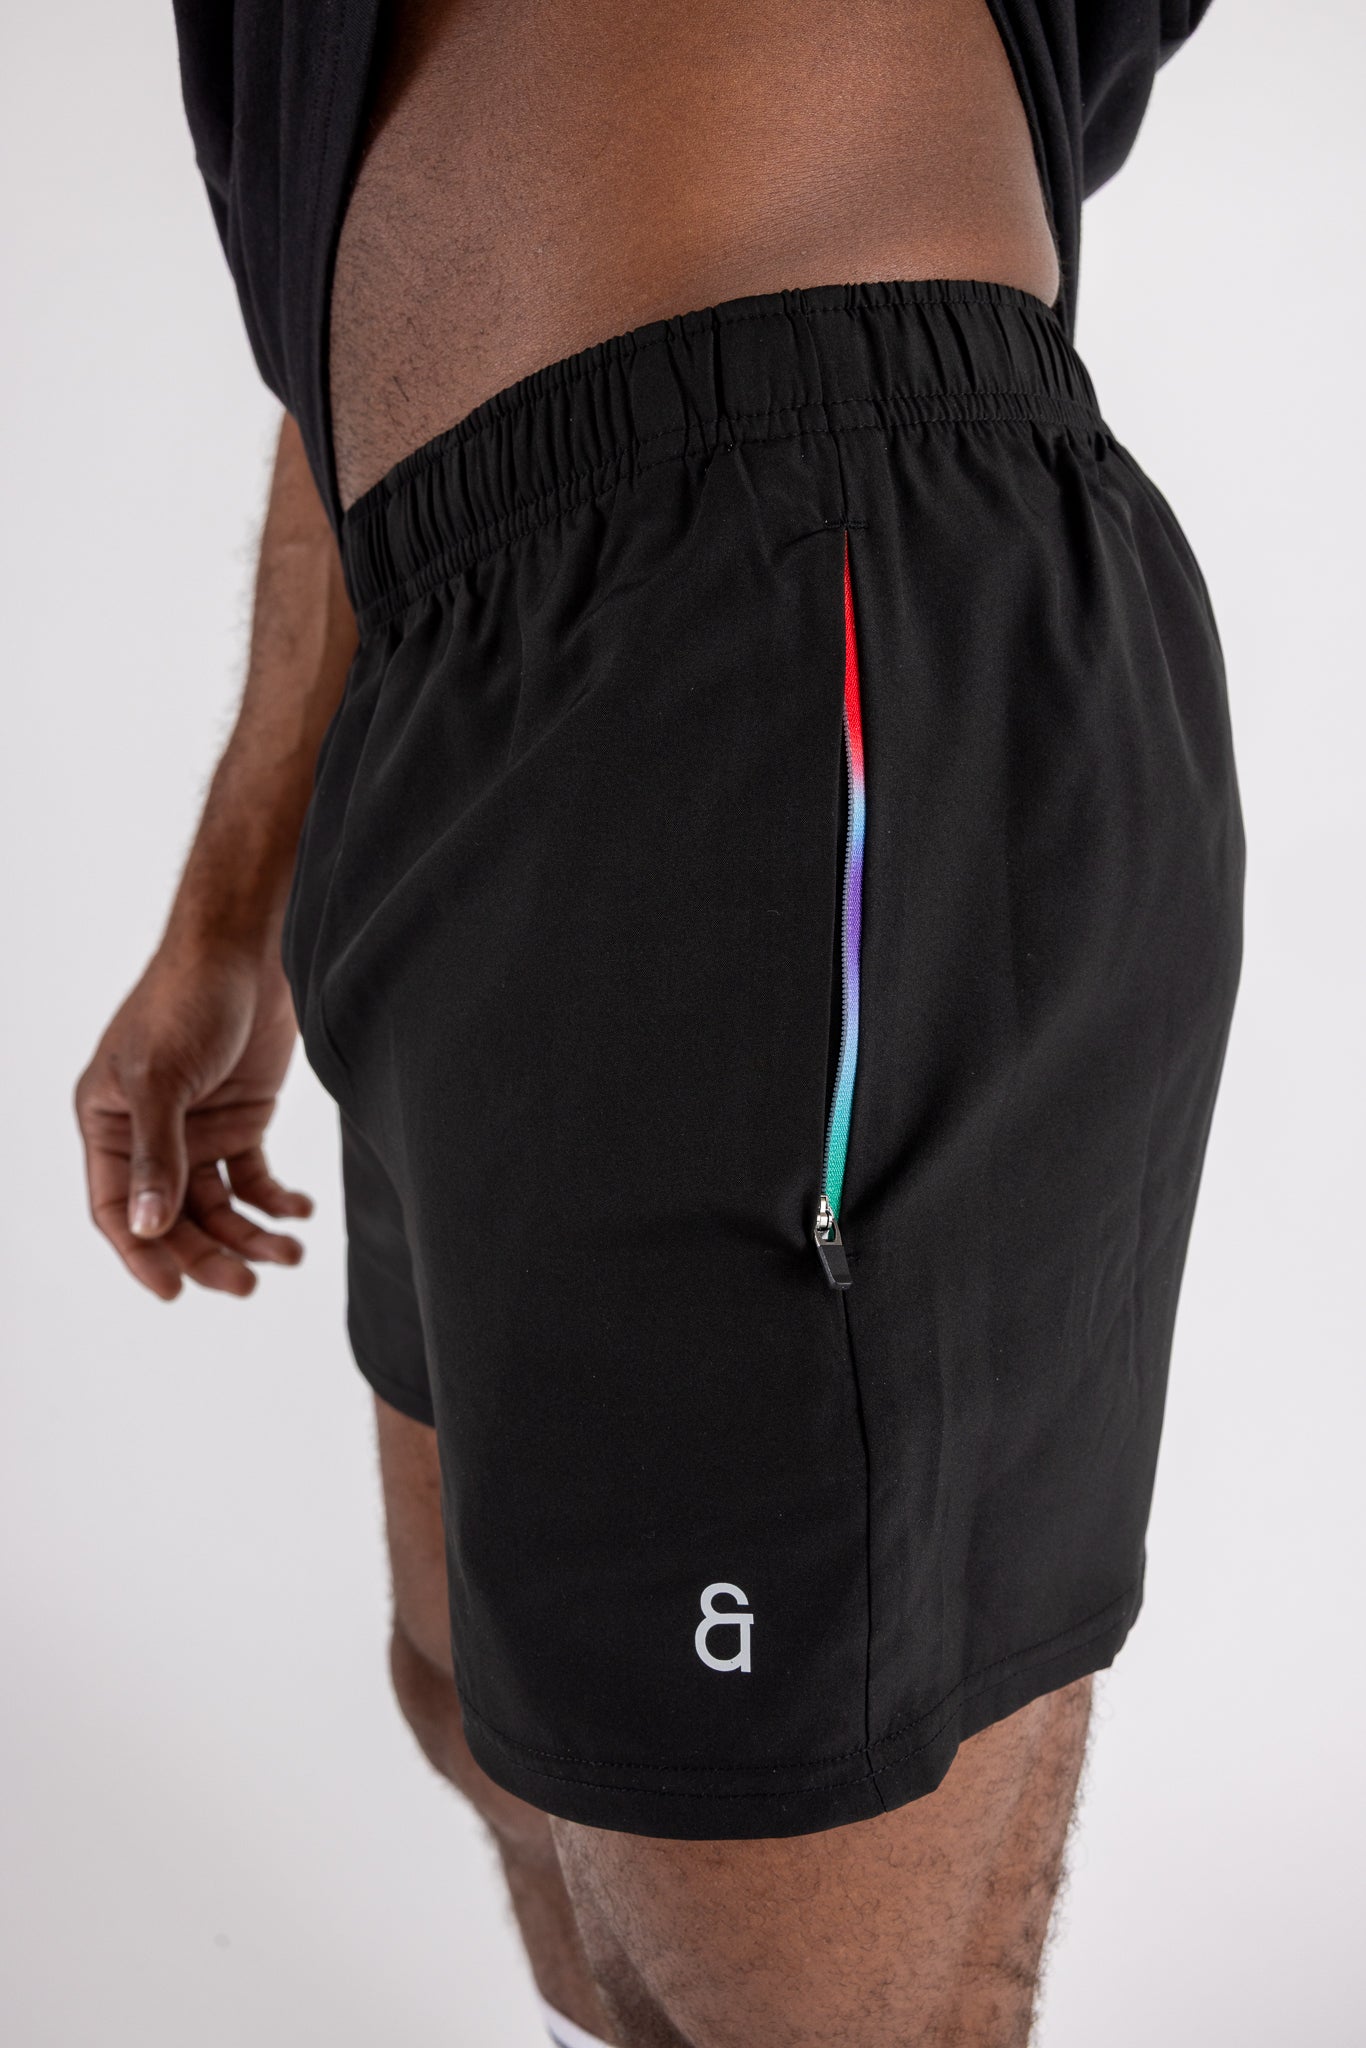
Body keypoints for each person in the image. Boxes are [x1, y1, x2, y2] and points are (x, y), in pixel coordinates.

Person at [75, 3, 1244, 2042]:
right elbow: (349, 347)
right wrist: (229, 907)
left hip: (784, 601)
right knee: (488, 1718)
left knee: (788, 1971)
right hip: (446, 674)